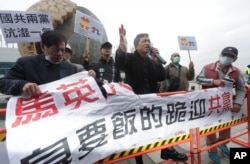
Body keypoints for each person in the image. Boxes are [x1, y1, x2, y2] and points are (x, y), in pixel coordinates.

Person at [115, 24, 166, 164]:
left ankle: (166, 150)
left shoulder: (151, 60)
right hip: (136, 104)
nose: (147, 43)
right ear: (136, 45)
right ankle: (139, 160)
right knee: (139, 134)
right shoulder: (130, 58)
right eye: (144, 41)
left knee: (161, 125)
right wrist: (122, 45)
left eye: (149, 41)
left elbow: (161, 77)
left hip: (153, 102)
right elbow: (119, 62)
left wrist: (158, 63)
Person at [0, 30, 95, 97]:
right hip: (34, 116)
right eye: (54, 50)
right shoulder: (26, 63)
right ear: (43, 47)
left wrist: (90, 77)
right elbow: (3, 83)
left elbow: (81, 88)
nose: (60, 54)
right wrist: (22, 85)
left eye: (62, 50)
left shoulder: (71, 68)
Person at [196, 46, 246, 164]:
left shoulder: (236, 72)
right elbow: (198, 79)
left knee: (225, 128)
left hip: (226, 106)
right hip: (210, 106)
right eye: (224, 55)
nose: (226, 58)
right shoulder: (208, 68)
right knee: (210, 129)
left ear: (235, 58)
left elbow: (241, 88)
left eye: (230, 56)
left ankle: (223, 145)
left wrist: (238, 102)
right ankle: (212, 150)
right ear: (220, 55)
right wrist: (213, 81)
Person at [159, 52, 195, 162]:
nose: (176, 57)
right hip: (171, 98)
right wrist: (163, 95)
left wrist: (191, 68)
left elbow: (190, 77)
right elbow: (162, 80)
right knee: (170, 122)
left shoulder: (184, 68)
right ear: (170, 58)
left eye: (178, 55)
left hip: (183, 98)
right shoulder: (167, 68)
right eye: (174, 55)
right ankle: (167, 148)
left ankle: (170, 147)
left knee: (178, 122)